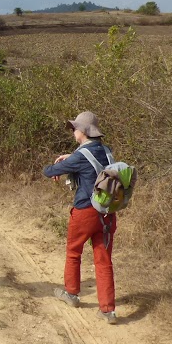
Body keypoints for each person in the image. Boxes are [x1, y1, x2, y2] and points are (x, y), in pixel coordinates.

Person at [42, 111, 119, 324]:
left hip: (85, 212)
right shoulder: (107, 151)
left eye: (75, 128)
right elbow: (91, 163)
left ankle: (72, 293)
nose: (73, 131)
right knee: (103, 261)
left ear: (83, 131)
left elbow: (48, 171)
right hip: (107, 214)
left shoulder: (79, 156)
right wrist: (72, 158)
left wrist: (64, 164)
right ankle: (108, 310)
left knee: (73, 251)